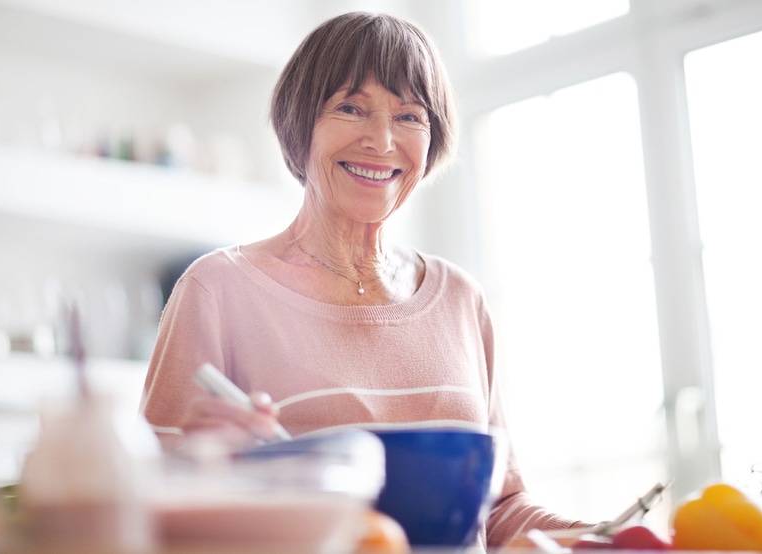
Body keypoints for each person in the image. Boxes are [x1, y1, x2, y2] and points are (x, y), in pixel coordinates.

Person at [141, 11, 582, 547]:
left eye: (410, 117)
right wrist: (208, 464)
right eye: (351, 108)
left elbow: (502, 509)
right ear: (301, 123)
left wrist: (606, 534)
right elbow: (147, 505)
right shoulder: (217, 290)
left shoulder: (462, 300)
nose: (381, 140)